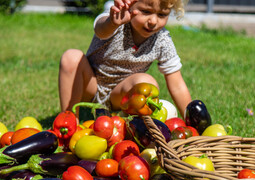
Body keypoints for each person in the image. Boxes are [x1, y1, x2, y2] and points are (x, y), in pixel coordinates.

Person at [58, 0, 191, 119]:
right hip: (90, 87)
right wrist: (112, 22)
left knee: (146, 83)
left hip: (121, 97)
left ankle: (129, 128)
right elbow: (101, 30)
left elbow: (177, 84)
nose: (153, 21)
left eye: (162, 15)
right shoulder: (116, 18)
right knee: (71, 57)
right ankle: (68, 121)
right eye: (145, 11)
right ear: (129, 4)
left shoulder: (162, 40)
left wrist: (191, 120)